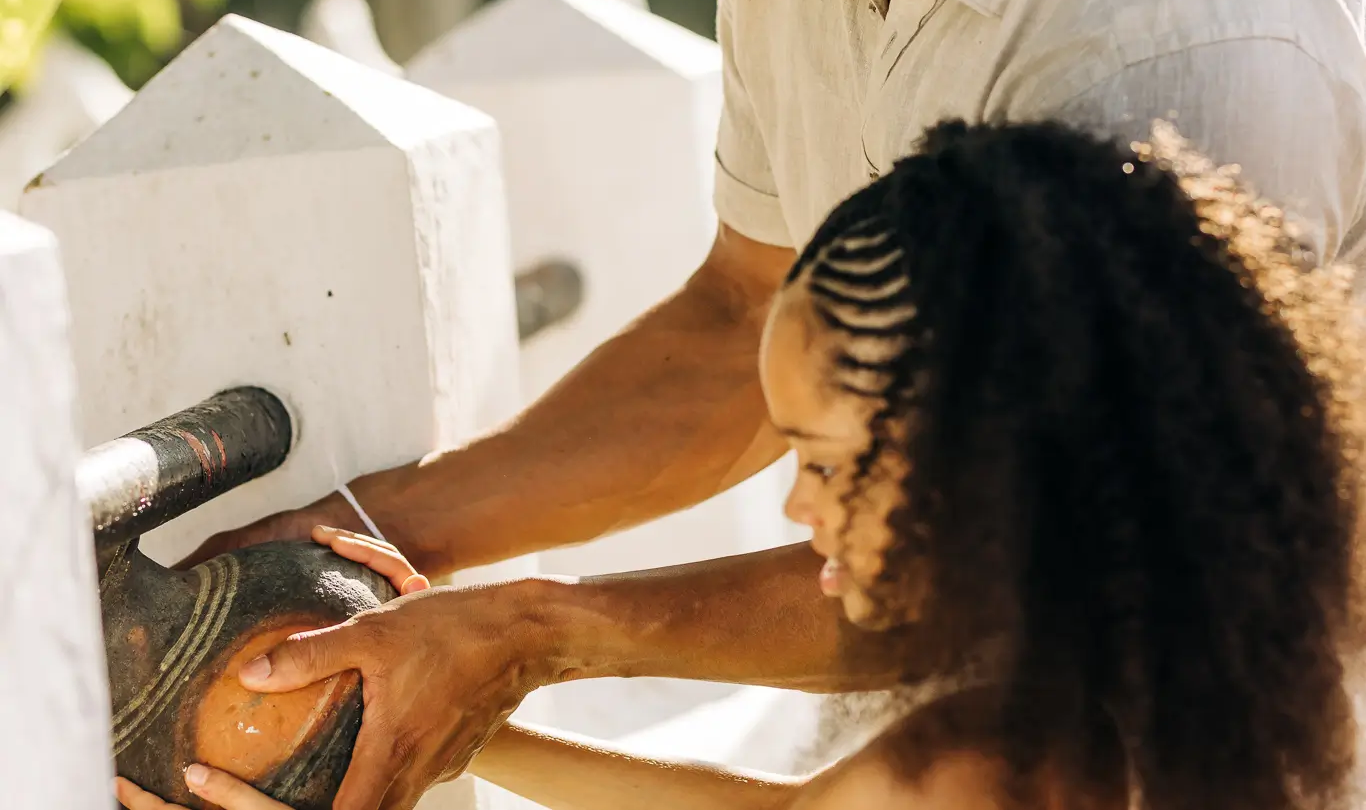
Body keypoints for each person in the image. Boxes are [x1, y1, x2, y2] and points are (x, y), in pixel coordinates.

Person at [187, 0, 1366, 805]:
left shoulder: (1176, 53)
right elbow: (742, 318)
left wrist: (536, 633)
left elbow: (1028, 548)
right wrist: (369, 537)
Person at [121, 121, 1366, 810]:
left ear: (994, 464)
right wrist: (464, 730)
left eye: (825, 459)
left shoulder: (999, 774)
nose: (794, 501)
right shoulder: (1215, 693)